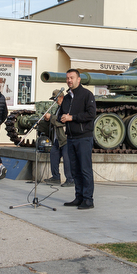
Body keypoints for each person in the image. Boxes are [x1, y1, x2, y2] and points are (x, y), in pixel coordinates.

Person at [61, 69, 97, 209]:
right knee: (75, 170)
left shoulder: (87, 95)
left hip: (83, 137)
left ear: (78, 79)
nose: (69, 80)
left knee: (85, 169)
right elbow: (62, 114)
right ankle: (79, 197)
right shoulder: (67, 97)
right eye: (67, 78)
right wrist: (59, 118)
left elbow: (91, 114)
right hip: (70, 138)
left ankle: (88, 200)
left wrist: (72, 117)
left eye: (72, 77)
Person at [37, 90, 71, 187]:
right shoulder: (58, 108)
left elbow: (61, 121)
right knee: (54, 155)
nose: (55, 101)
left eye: (56, 99)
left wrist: (51, 117)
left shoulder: (67, 107)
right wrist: (47, 119)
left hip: (65, 138)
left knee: (67, 159)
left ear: (62, 97)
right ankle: (56, 177)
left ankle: (70, 179)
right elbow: (55, 120)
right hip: (58, 138)